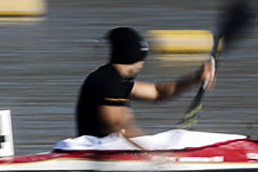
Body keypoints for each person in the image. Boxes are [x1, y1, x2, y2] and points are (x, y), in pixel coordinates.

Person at [75, 27, 215, 138]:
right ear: (133, 57)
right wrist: (152, 156)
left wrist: (195, 78)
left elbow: (157, 92)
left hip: (107, 149)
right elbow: (114, 127)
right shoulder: (109, 81)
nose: (142, 65)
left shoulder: (114, 78)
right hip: (98, 152)